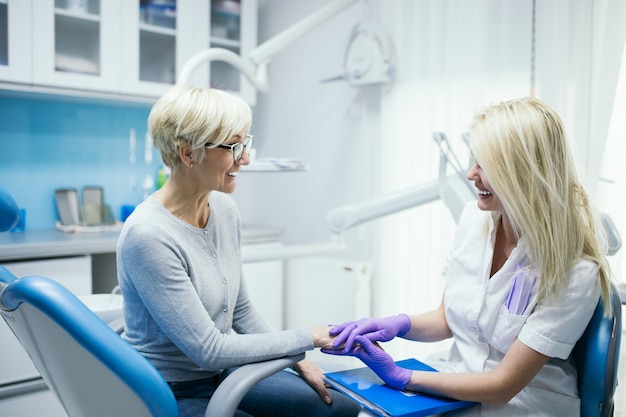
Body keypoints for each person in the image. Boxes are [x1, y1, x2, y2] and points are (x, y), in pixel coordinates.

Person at [323, 97, 612, 416]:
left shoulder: (574, 271)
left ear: (525, 172)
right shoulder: (474, 219)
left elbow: (504, 385)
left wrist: (401, 377)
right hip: (455, 378)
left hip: (522, 403)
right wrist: (398, 324)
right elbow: (449, 318)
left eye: (484, 165)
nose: (471, 175)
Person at [116, 83, 361, 417]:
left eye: (244, 143)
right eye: (232, 146)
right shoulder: (149, 235)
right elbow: (209, 349)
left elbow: (241, 311)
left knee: (338, 409)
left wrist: (299, 362)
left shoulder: (224, 210)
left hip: (222, 376)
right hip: (167, 391)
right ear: (188, 153)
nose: (245, 158)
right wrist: (310, 336)